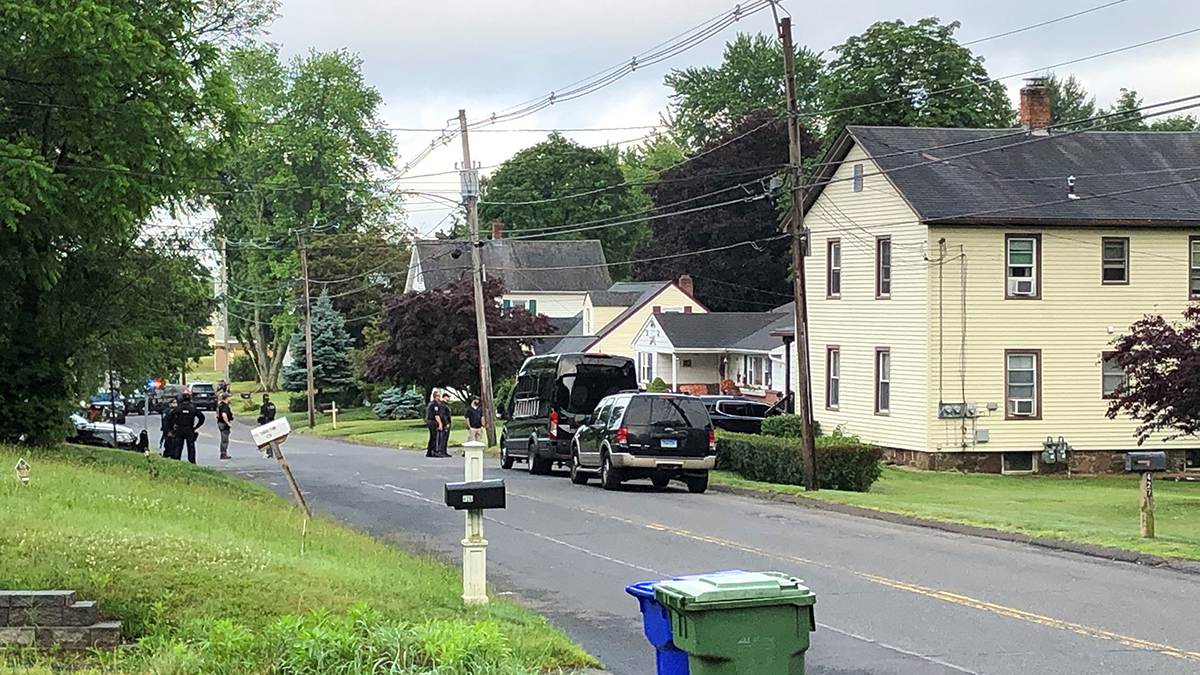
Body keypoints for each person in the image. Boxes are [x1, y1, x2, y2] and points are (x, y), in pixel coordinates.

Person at [173, 393, 206, 464]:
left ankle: (176, 460)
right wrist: (197, 426)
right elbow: (202, 417)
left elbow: (170, 416)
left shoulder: (179, 407)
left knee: (178, 446)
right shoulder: (193, 407)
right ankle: (192, 461)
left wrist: (175, 423)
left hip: (180, 429)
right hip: (189, 429)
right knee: (191, 446)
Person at [425, 391, 443, 458]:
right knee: (434, 437)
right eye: (438, 396)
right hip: (433, 421)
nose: (439, 398)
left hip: (429, 421)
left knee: (432, 437)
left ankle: (429, 451)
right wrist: (440, 423)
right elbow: (436, 415)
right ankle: (433, 451)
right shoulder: (435, 404)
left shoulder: (430, 403)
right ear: (435, 397)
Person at [216, 393, 234, 460]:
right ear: (226, 398)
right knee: (225, 439)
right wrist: (228, 423)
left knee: (224, 438)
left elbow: (217, 415)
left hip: (220, 423)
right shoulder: (224, 406)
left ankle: (223, 453)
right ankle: (223, 454)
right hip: (224, 424)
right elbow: (224, 415)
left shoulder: (220, 405)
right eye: (229, 397)